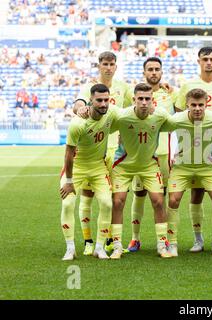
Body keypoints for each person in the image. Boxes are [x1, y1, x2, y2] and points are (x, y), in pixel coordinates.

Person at [72, 51, 135, 255]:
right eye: (105, 64)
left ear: (116, 67)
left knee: (113, 197)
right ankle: (88, 240)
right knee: (88, 194)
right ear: (99, 65)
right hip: (93, 150)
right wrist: (80, 108)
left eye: (112, 64)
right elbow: (79, 104)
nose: (108, 67)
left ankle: (109, 240)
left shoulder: (123, 87)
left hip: (115, 149)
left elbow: (134, 106)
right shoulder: (89, 86)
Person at [175, 47, 212, 253]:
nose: (208, 62)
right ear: (198, 61)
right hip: (191, 147)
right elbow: (179, 114)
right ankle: (198, 240)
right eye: (205, 59)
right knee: (196, 193)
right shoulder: (188, 85)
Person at [109, 83, 171, 259]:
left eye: (147, 99)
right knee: (118, 202)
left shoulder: (159, 115)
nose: (144, 103)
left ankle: (162, 244)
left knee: (158, 201)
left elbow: (176, 122)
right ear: (133, 99)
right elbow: (104, 123)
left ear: (152, 100)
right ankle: (117, 246)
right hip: (123, 164)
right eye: (140, 99)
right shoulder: (122, 116)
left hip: (149, 164)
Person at [60, 84, 119, 260]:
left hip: (98, 167)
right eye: (99, 100)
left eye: (106, 100)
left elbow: (130, 114)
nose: (103, 104)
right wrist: (69, 181)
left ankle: (99, 248)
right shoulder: (78, 123)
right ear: (91, 101)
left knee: (107, 204)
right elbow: (68, 155)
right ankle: (70, 248)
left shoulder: (112, 113)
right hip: (77, 168)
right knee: (67, 204)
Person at [164, 88, 212, 257]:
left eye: (201, 105)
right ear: (187, 105)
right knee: (173, 200)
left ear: (206, 104)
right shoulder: (176, 119)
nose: (197, 108)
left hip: (206, 167)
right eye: (194, 105)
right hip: (182, 167)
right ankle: (173, 243)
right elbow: (157, 125)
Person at [126, 57, 178, 253]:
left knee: (161, 198)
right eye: (150, 69)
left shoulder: (169, 95)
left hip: (164, 153)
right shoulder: (136, 94)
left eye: (157, 69)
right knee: (138, 195)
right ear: (144, 72)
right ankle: (135, 238)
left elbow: (178, 118)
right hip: (141, 154)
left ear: (162, 72)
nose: (154, 72)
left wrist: (174, 91)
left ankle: (163, 240)